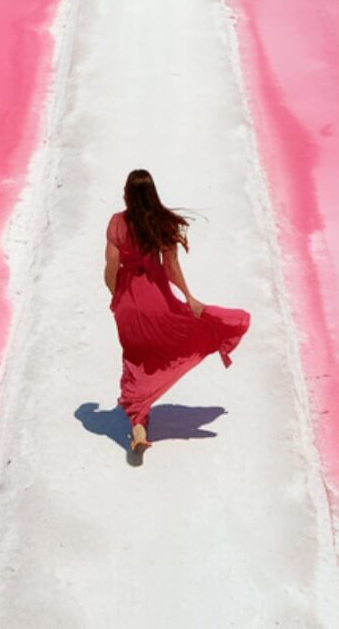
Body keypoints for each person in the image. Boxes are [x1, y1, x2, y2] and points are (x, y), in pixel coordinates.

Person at [104, 168, 250, 460]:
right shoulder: (161, 223)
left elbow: (110, 268)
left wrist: (117, 298)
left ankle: (139, 431)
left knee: (135, 361)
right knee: (167, 352)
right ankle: (229, 327)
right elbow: (170, 268)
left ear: (127, 194)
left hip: (129, 306)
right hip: (157, 302)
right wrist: (190, 297)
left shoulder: (117, 223)